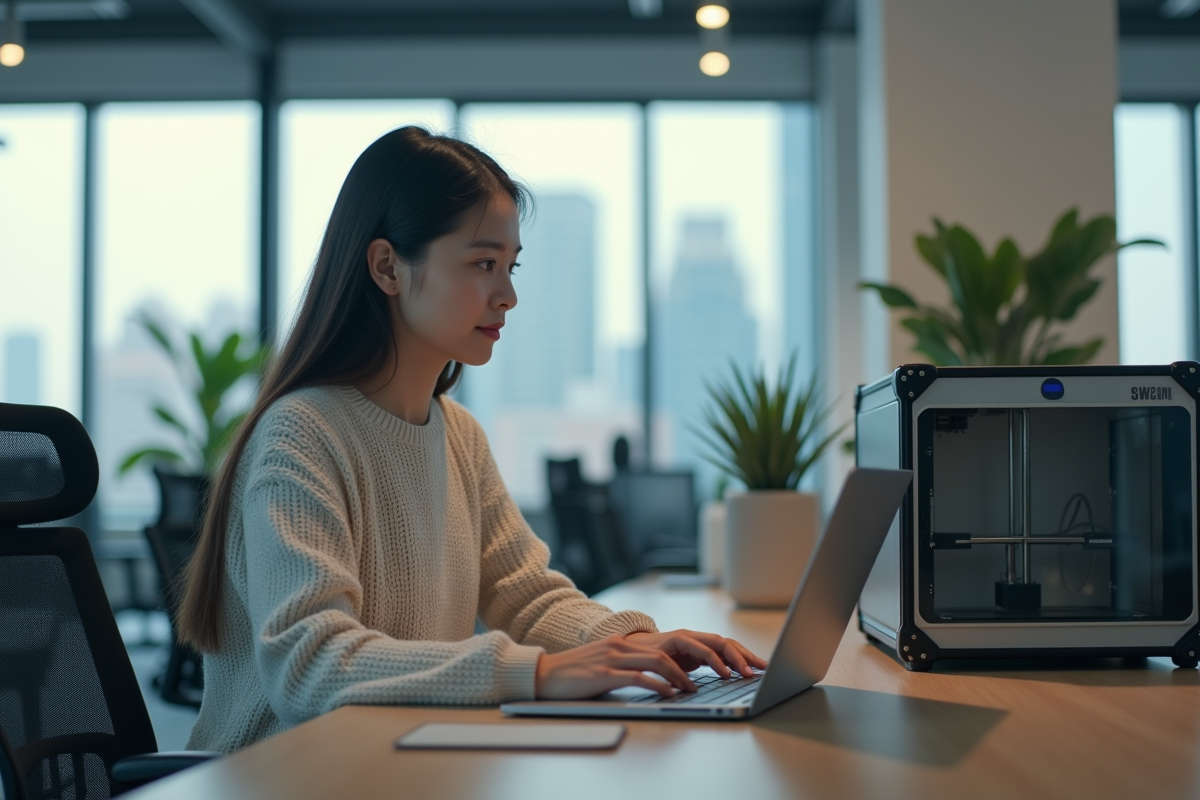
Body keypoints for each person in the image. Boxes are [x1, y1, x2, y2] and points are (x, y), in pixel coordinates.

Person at [177, 127, 765, 753]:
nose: (508, 296)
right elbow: (310, 664)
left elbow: (527, 598)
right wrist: (538, 674)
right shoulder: (301, 435)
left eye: (510, 267)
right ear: (387, 268)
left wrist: (635, 644)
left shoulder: (458, 435)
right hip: (284, 775)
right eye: (484, 264)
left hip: (400, 763)